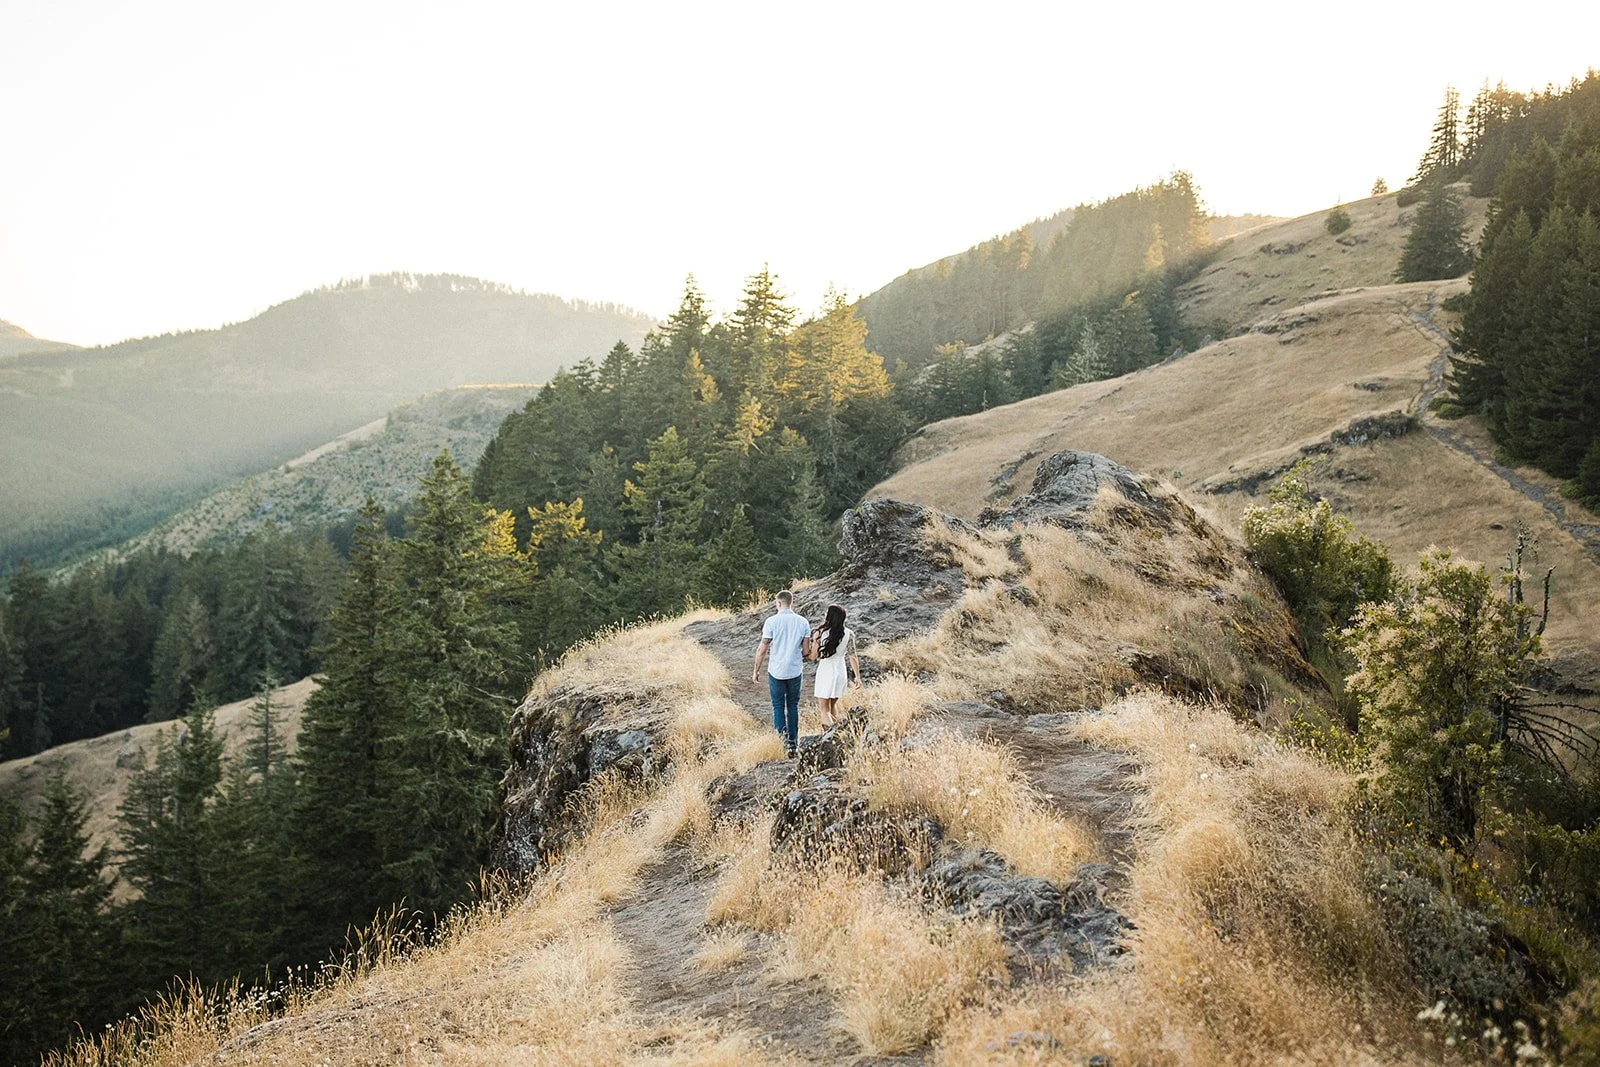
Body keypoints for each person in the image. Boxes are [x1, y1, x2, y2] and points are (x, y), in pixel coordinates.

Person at [752, 589, 809, 758]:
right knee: (793, 706)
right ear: (791, 603)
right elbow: (806, 651)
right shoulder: (803, 622)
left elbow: (762, 649)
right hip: (795, 670)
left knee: (778, 706)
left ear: (778, 603)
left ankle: (781, 744)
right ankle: (793, 745)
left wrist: (756, 670)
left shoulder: (771, 622)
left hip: (776, 670)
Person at [808, 603, 860, 728]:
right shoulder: (849, 634)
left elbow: (813, 656)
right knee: (832, 705)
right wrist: (857, 676)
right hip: (840, 671)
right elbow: (852, 656)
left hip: (826, 671)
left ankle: (832, 735)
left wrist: (806, 651)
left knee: (824, 710)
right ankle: (838, 731)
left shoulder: (820, 633)